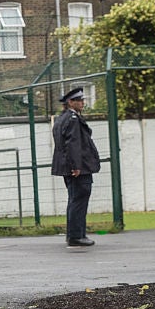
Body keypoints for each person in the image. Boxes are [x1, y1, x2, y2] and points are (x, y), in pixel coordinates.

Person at [51, 86, 101, 247]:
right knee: (79, 200)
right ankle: (76, 235)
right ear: (70, 102)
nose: (82, 103)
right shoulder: (72, 119)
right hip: (78, 168)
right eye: (78, 100)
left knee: (75, 199)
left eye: (82, 100)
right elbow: (73, 144)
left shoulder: (62, 118)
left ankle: (75, 234)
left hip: (70, 166)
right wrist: (76, 166)